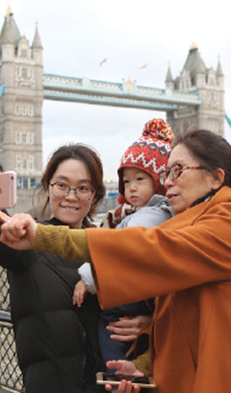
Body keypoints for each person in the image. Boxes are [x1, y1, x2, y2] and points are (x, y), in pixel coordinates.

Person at [0, 128, 231, 393]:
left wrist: (42, 237)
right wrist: (146, 362)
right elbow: (193, 318)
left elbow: (144, 247)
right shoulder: (189, 225)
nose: (167, 183)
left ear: (216, 177)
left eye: (178, 170)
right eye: (166, 174)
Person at [0, 144, 108, 393]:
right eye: (62, 185)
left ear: (96, 195)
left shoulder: (109, 247)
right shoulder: (25, 239)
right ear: (47, 187)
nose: (71, 195)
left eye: (83, 188)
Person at [73, 119, 174, 372]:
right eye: (126, 181)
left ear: (159, 182)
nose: (131, 188)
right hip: (134, 297)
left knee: (112, 343)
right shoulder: (129, 213)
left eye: (140, 179)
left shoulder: (154, 214)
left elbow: (118, 249)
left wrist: (86, 279)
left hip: (130, 297)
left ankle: (116, 378)